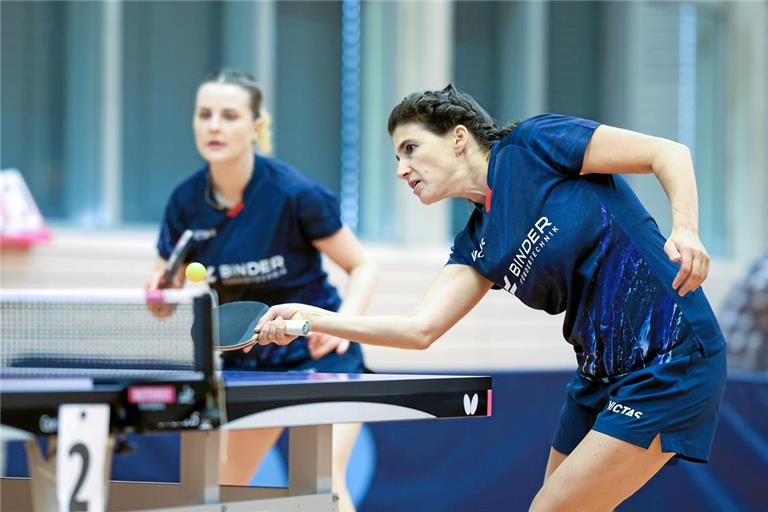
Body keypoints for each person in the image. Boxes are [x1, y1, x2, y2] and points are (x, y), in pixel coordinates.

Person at [252, 85, 728, 510]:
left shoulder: (534, 146)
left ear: (458, 137)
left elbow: (668, 152)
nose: (401, 170)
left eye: (410, 149)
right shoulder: (477, 243)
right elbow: (419, 330)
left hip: (672, 354)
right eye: (396, 158)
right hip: (599, 375)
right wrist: (316, 319)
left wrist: (686, 229)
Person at [147, 69, 378, 512]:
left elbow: (363, 265)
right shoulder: (184, 202)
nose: (214, 126)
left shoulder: (295, 194)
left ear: (255, 126)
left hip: (319, 354)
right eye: (205, 114)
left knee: (322, 486)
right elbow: (162, 293)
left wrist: (344, 325)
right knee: (213, 491)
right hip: (250, 362)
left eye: (229, 115)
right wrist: (161, 296)